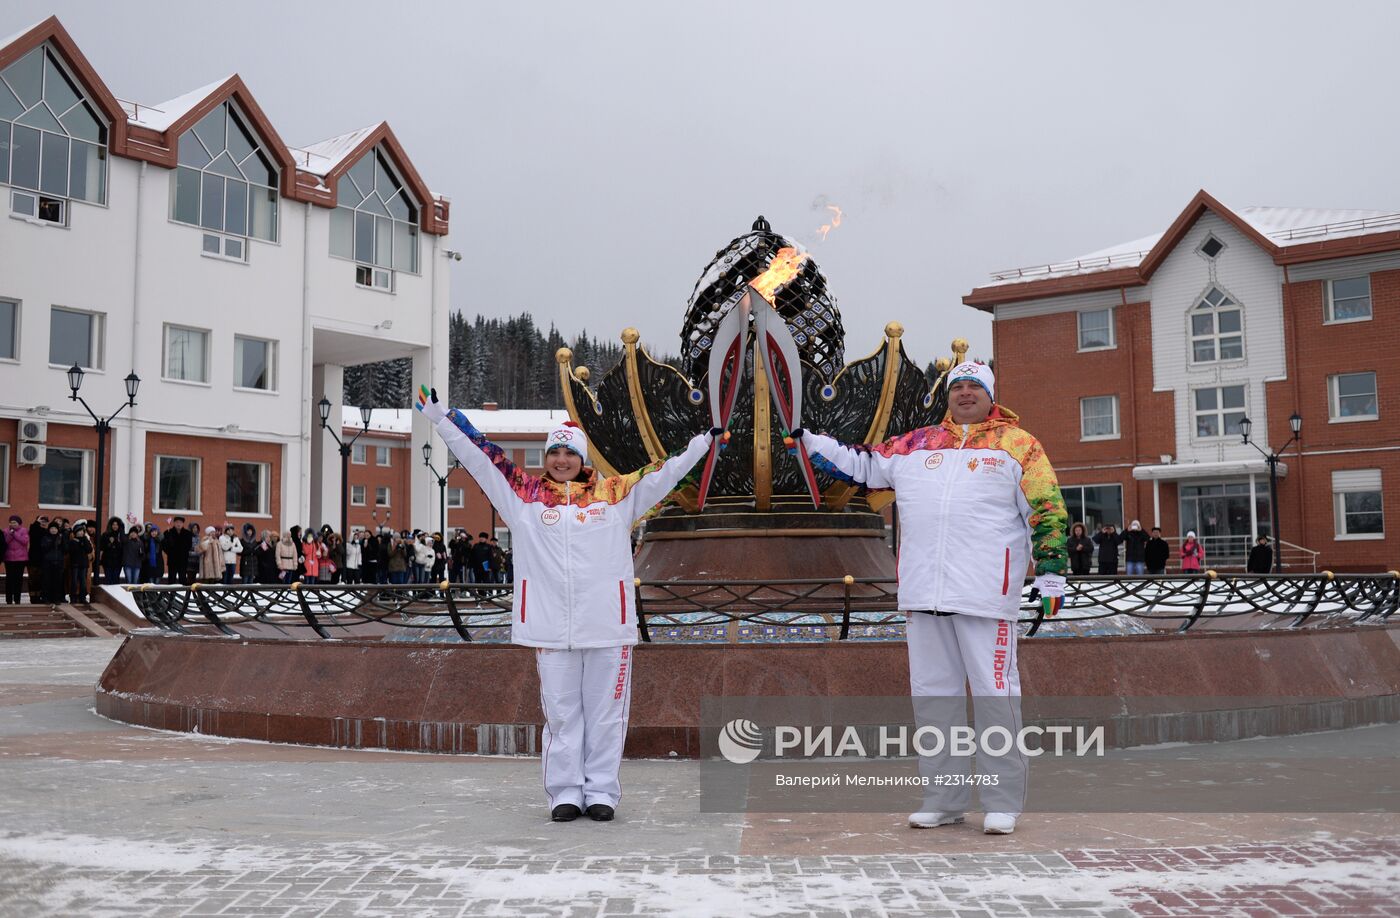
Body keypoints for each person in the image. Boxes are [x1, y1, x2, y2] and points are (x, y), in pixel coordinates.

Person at [793, 362, 1068, 837]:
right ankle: (945, 799)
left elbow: (1047, 509)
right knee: (934, 702)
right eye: (957, 386)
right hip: (924, 595)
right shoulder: (916, 445)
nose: (964, 393)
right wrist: (807, 440)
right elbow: (859, 463)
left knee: (994, 699)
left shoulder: (1018, 446)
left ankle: (1002, 802)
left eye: (974, 387)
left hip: (986, 595)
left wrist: (1051, 575)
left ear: (990, 395)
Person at [418, 385, 713, 823]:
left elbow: (665, 472)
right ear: (547, 457)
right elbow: (483, 457)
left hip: (607, 627)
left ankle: (601, 793)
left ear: (582, 458)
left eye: (569, 453)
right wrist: (444, 419)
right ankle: (565, 793)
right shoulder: (523, 497)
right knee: (561, 714)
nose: (562, 460)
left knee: (606, 716)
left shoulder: (614, 496)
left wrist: (705, 444)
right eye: (555, 452)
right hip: (550, 627)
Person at [4, 515, 29, 605]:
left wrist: (15, 533)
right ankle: (8, 600)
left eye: (14, 522)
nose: (12, 524)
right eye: (11, 522)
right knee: (9, 579)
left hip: (20, 559)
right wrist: (10, 534)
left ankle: (17, 599)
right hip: (9, 558)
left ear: (19, 523)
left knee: (18, 580)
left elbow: (24, 541)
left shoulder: (24, 530)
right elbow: (5, 542)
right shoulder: (6, 531)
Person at [68, 521, 93, 604]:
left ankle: (83, 597)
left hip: (84, 564)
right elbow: (72, 551)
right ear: (75, 532)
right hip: (75, 564)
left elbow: (89, 549)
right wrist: (78, 543)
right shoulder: (72, 541)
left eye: (82, 531)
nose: (81, 533)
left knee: (83, 582)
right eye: (79, 531)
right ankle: (73, 597)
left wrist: (84, 541)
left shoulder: (85, 540)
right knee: (74, 581)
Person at [98, 517, 125, 585]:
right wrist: (109, 543)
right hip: (107, 561)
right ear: (111, 525)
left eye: (116, 525)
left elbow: (123, 548)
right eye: (113, 524)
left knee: (116, 579)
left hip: (118, 562)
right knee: (108, 579)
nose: (115, 526)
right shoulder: (105, 535)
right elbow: (102, 547)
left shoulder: (121, 535)